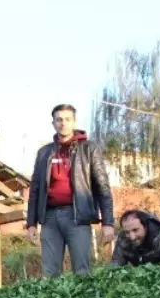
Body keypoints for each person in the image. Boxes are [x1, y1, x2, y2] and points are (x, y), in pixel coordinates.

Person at [25, 104, 115, 277]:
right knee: (50, 275)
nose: (63, 123)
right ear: (53, 123)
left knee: (82, 272)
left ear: (74, 122)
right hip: (49, 218)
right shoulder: (44, 153)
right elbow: (35, 189)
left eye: (67, 119)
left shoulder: (89, 149)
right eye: (59, 120)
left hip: (78, 217)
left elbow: (102, 186)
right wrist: (31, 224)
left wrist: (108, 223)